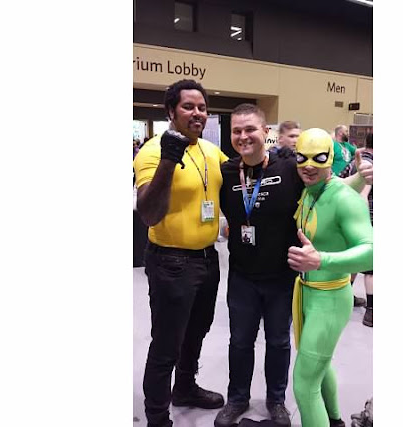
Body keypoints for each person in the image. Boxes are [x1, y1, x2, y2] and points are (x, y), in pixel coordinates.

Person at [215, 105, 372, 427]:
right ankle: (237, 398)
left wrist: (361, 178)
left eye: (250, 129)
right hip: (242, 275)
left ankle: (276, 400)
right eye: (237, 131)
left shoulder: (290, 167)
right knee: (240, 342)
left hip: (282, 276)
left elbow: (328, 189)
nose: (243, 136)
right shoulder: (227, 172)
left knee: (279, 342)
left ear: (265, 132)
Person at [134, 79, 229, 427]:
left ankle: (185, 388)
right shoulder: (151, 151)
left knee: (196, 333)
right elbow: (148, 213)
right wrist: (169, 159)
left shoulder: (210, 150)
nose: (197, 113)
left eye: (202, 107)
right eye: (188, 106)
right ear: (171, 112)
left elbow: (239, 176)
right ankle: (157, 418)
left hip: (207, 258)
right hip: (170, 262)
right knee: (166, 344)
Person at [287, 128, 373, 427]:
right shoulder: (312, 190)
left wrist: (322, 259)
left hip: (330, 297)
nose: (308, 165)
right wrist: (359, 178)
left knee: (304, 384)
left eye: (319, 158)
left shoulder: (346, 200)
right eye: (302, 158)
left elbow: (372, 251)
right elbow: (331, 189)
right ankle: (334, 420)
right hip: (307, 293)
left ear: (331, 158)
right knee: (319, 367)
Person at [359, 133, 373, 327]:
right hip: (366, 218)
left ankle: (348, 295)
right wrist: (364, 223)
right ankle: (371, 311)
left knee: (355, 262)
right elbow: (363, 194)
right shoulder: (369, 164)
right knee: (371, 268)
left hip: (353, 217)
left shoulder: (360, 160)